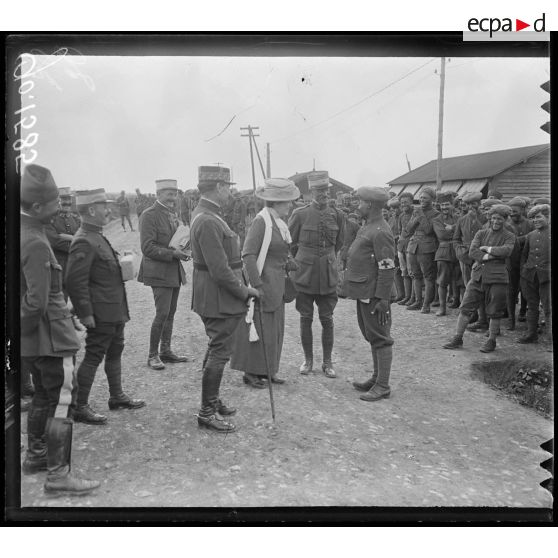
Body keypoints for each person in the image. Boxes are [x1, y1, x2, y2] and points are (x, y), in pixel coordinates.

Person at [20, 164, 100, 496]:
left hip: (35, 340)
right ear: (37, 207)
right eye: (54, 204)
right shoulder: (36, 241)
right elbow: (37, 302)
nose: (59, 209)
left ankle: (36, 456)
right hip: (50, 337)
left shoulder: (23, 232)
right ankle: (58, 475)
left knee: (42, 396)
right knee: (62, 401)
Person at [65, 189, 145, 425]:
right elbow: (74, 282)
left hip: (114, 308)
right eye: (104, 207)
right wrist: (86, 313)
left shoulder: (96, 235)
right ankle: (80, 406)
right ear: (91, 210)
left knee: (115, 350)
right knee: (93, 356)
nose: (109, 210)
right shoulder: (83, 240)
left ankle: (117, 396)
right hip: (101, 312)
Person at [190, 165, 260, 433]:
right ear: (218, 188)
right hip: (217, 296)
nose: (230, 192)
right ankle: (206, 412)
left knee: (215, 346)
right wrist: (245, 291)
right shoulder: (208, 220)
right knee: (220, 351)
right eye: (228, 188)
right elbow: (220, 270)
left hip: (214, 294)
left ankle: (212, 400)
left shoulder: (208, 215)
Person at [230, 178, 301, 388]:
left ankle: (268, 369)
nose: (290, 205)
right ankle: (251, 372)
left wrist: (288, 262)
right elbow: (248, 254)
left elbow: (277, 251)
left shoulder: (278, 223)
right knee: (259, 328)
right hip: (264, 284)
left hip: (277, 284)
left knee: (273, 330)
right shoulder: (261, 222)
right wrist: (257, 285)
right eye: (287, 201)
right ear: (276, 203)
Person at [288, 170, 345, 378]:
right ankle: (308, 360)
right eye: (319, 190)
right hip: (305, 274)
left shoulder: (338, 215)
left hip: (328, 274)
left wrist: (327, 259)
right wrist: (304, 259)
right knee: (305, 317)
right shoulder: (300, 214)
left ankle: (327, 362)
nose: (323, 194)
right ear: (310, 191)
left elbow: (339, 243)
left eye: (326, 190)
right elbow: (291, 243)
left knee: (327, 318)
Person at [343, 187, 396, 401]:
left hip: (375, 294)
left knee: (381, 338)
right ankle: (376, 378)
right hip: (365, 291)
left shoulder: (381, 231)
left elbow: (387, 267)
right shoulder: (368, 227)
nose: (358, 206)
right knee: (371, 335)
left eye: (361, 203)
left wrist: (383, 299)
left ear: (371, 205)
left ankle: (382, 385)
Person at [443, 204, 516, 353]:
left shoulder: (509, 235)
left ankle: (491, 341)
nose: (496, 222)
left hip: (498, 278)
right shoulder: (481, 233)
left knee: (495, 310)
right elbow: (472, 252)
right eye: (494, 218)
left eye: (500, 219)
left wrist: (487, 249)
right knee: (465, 307)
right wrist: (490, 256)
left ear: (505, 220)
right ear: (489, 217)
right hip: (478, 276)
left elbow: (507, 251)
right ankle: (458, 337)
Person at [138, 179, 191, 370]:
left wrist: (184, 250)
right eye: (169, 193)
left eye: (175, 193)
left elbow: (175, 240)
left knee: (171, 312)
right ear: (158, 194)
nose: (173, 197)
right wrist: (173, 254)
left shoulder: (172, 214)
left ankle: (166, 351)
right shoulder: (149, 215)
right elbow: (147, 247)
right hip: (158, 272)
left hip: (173, 270)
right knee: (162, 313)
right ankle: (153, 355)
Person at [452, 192, 487, 328]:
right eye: (468, 204)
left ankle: (483, 318)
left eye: (474, 203)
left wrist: (475, 220)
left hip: (480, 255)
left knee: (480, 286)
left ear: (479, 204)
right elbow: (456, 238)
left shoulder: (485, 218)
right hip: (465, 256)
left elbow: (486, 234)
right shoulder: (461, 219)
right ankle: (473, 314)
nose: (471, 207)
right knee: (468, 285)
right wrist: (459, 251)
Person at [517, 204, 551, 343]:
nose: (535, 220)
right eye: (532, 218)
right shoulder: (531, 235)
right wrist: (524, 270)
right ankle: (531, 334)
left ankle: (550, 339)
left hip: (547, 277)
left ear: (548, 217)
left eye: (538, 217)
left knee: (548, 308)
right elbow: (524, 255)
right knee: (532, 306)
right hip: (530, 275)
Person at [403, 187, 439, 313]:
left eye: (425, 198)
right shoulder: (416, 212)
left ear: (432, 199)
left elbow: (429, 230)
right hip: (413, 246)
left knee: (428, 277)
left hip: (427, 247)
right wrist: (416, 217)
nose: (422, 200)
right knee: (415, 275)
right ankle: (418, 301)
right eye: (421, 197)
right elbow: (408, 230)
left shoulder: (435, 213)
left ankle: (426, 304)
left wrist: (420, 216)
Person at [432, 192, 459, 316]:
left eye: (447, 205)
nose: (444, 208)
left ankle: (460, 306)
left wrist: (453, 227)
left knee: (460, 280)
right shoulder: (437, 220)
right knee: (442, 281)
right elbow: (442, 235)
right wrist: (456, 231)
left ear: (452, 205)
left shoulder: (458, 218)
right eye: (442, 205)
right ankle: (442, 308)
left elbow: (463, 232)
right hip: (443, 252)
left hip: (458, 251)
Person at [396, 192, 414, 305]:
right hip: (402, 246)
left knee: (413, 273)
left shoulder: (415, 214)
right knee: (404, 272)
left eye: (406, 202)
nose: (403, 205)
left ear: (411, 202)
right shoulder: (401, 216)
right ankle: (407, 297)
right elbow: (400, 231)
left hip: (412, 247)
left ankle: (414, 298)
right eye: (402, 203)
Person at [387, 197, 405, 302]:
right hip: (393, 248)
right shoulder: (391, 219)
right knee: (396, 271)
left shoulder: (403, 217)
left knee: (404, 271)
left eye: (396, 208)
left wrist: (396, 237)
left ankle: (406, 294)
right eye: (392, 208)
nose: (394, 210)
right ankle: (400, 293)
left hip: (401, 246)